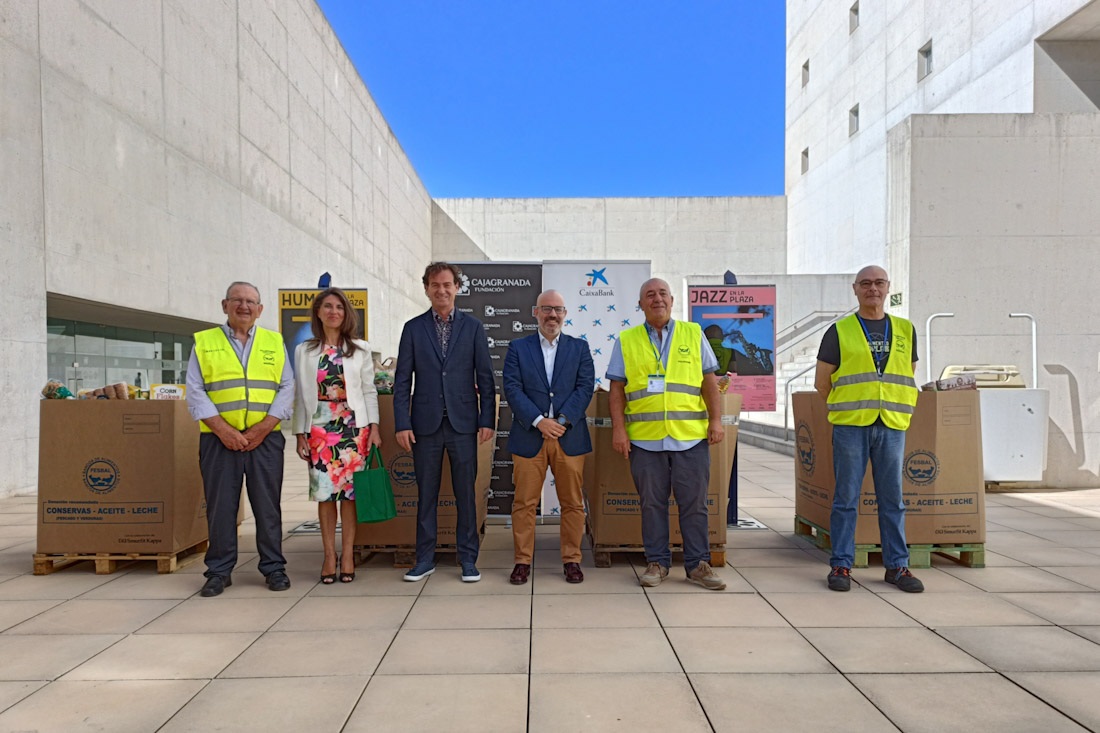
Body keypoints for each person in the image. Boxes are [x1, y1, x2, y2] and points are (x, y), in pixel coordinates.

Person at [607, 278, 727, 590]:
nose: (657, 299)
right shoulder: (626, 340)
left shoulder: (693, 333)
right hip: (645, 440)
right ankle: (657, 562)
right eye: (650, 294)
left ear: (672, 301)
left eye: (662, 294)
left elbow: (708, 382)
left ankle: (698, 565)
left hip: (690, 438)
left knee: (694, 504)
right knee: (651, 504)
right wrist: (619, 430)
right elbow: (616, 389)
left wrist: (716, 421)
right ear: (640, 304)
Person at [814, 265, 923, 593]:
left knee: (894, 499)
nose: (872, 288)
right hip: (851, 426)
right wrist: (850, 405)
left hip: (891, 424)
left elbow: (907, 372)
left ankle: (897, 566)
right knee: (846, 497)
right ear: (855, 289)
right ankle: (841, 566)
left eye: (878, 283)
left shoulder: (905, 329)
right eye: (865, 283)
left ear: (888, 287)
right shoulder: (840, 331)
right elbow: (823, 383)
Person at [186, 282, 295, 597]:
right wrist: (224, 430)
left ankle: (274, 568)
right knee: (220, 508)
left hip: (266, 439)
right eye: (238, 300)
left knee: (268, 507)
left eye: (251, 302)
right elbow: (195, 390)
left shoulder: (274, 342)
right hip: (219, 441)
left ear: (260, 309)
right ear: (225, 305)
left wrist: (263, 427)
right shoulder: (204, 343)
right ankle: (219, 572)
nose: (244, 306)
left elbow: (287, 387)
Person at [394, 262, 496, 583]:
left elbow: (486, 378)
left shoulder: (473, 327)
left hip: (464, 423)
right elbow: (401, 381)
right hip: (424, 425)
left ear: (457, 288)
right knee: (427, 494)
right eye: (435, 285)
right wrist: (402, 422)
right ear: (426, 288)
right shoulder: (413, 328)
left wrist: (487, 419)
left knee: (466, 493)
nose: (441, 290)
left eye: (447, 285)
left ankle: (468, 559)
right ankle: (424, 558)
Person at [503, 289, 595, 584]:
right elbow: (512, 389)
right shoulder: (518, 347)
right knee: (524, 503)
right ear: (536, 312)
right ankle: (522, 561)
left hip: (569, 436)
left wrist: (563, 422)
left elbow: (584, 388)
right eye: (546, 309)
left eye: (557, 309)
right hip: (531, 435)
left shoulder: (579, 348)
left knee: (572, 503)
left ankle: (572, 560)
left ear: (565, 314)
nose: (552, 315)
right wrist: (541, 421)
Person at [292, 288, 382, 584]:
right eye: (328, 306)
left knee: (351, 495)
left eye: (339, 307)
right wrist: (299, 433)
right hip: (319, 428)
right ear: (318, 312)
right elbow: (299, 394)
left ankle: (348, 555)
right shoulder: (304, 351)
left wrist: (375, 428)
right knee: (324, 494)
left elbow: (369, 390)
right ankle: (329, 555)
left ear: (347, 314)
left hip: (354, 427)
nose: (334, 311)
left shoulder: (360, 348)